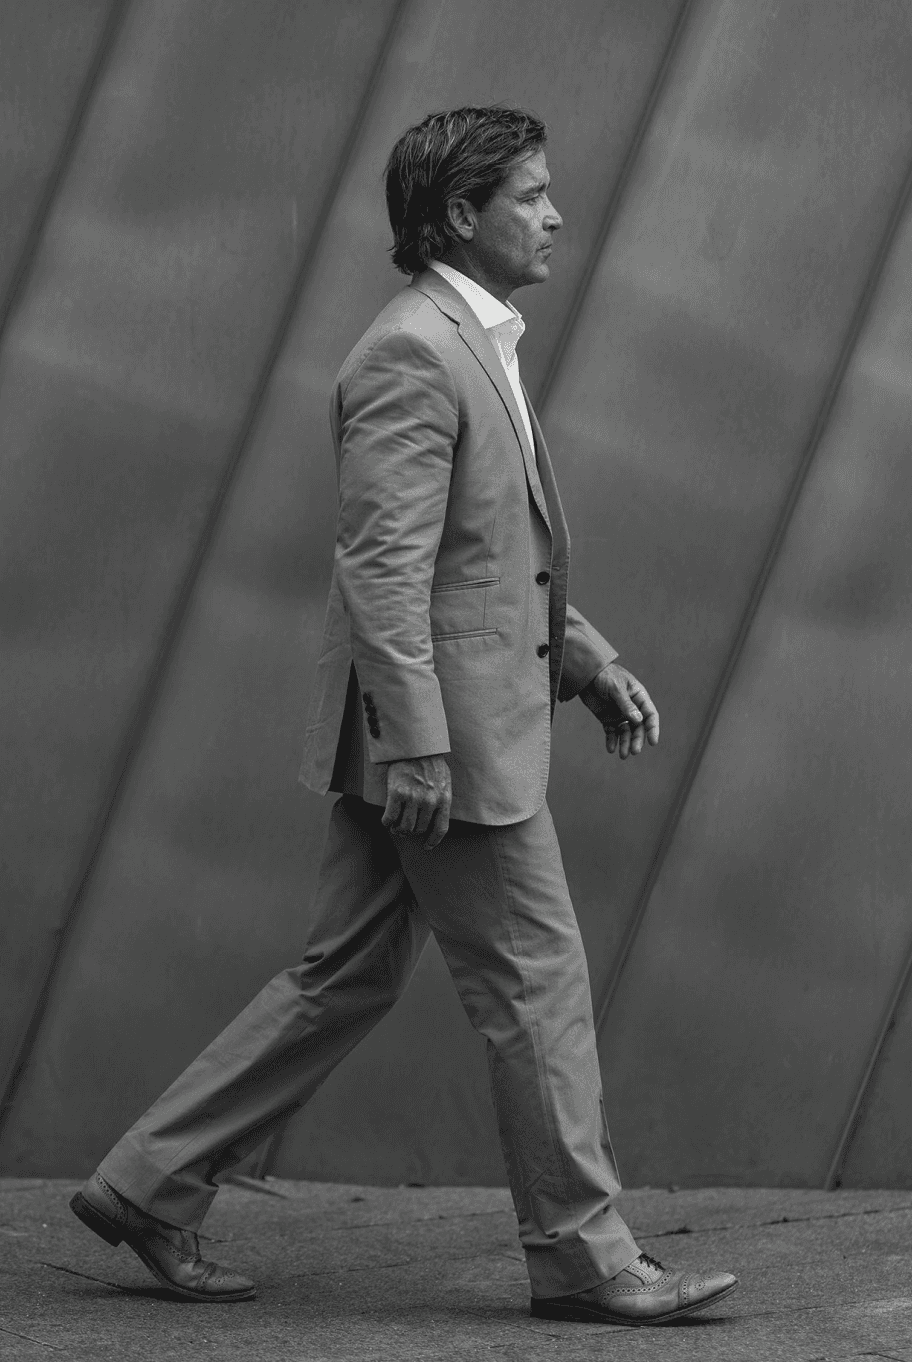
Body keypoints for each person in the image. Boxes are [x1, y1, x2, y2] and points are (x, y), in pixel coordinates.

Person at [70, 106, 738, 1326]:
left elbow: (486, 561)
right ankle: (587, 1259)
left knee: (346, 974)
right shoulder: (414, 353)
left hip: (437, 719)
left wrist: (585, 662)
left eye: (548, 191)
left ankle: (147, 1183)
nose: (554, 214)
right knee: (538, 984)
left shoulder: (472, 339)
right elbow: (383, 568)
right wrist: (418, 743)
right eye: (529, 195)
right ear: (454, 218)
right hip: (446, 742)